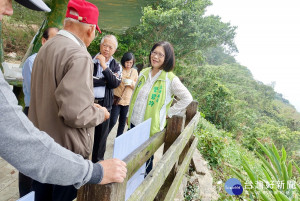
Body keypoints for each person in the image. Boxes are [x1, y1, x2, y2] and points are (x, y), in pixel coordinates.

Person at [0, 0, 126, 197]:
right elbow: (74, 114)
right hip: (65, 155)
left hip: (42, 147)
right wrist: (99, 113)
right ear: (91, 29)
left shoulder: (46, 48)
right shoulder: (79, 54)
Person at [127, 41, 193, 176]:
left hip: (149, 129)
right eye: (154, 53)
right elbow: (135, 94)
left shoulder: (170, 79)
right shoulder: (144, 72)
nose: (155, 57)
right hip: (134, 123)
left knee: (145, 162)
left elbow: (187, 98)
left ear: (167, 58)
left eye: (160, 55)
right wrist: (129, 114)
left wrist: (169, 113)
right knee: (129, 158)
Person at [20, 27, 59, 197]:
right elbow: (38, 92)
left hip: (49, 114)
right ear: (43, 41)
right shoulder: (32, 61)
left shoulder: (55, 63)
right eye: (53, 40)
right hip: (33, 112)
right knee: (29, 156)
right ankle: (26, 194)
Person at [92, 34, 122, 162]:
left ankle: (97, 165)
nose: (107, 49)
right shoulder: (89, 60)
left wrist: (104, 65)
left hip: (105, 105)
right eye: (105, 45)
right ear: (100, 45)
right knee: (82, 135)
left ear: (114, 50)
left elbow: (115, 83)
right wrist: (106, 80)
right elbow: (85, 80)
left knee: (101, 139)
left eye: (110, 47)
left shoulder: (116, 65)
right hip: (88, 103)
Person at [108, 52, 138, 137]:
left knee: (122, 123)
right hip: (117, 99)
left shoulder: (134, 71)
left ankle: (118, 141)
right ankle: (103, 137)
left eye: (131, 63)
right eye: (127, 62)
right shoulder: (119, 68)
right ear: (124, 61)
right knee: (112, 121)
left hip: (127, 101)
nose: (128, 64)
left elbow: (136, 86)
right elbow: (114, 80)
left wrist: (131, 83)